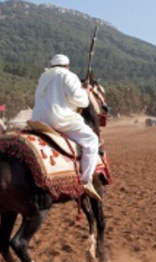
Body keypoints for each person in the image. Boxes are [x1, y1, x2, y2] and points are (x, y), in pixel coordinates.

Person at [31, 54, 102, 201]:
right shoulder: (69, 76)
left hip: (38, 120)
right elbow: (82, 102)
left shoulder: (43, 77)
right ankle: (86, 181)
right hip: (60, 120)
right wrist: (85, 91)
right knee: (92, 140)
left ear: (52, 65)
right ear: (67, 66)